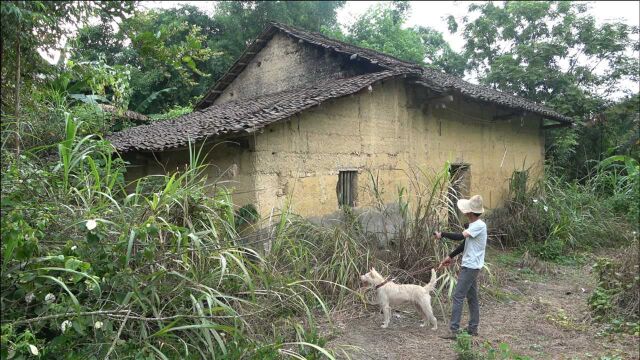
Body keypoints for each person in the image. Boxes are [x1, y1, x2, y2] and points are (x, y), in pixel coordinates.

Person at [434, 194, 487, 339]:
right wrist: (450, 256)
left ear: (469, 212)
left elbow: (459, 237)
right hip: (472, 266)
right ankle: (473, 328)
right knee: (472, 297)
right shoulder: (475, 226)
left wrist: (442, 234)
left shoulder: (478, 225)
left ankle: (454, 330)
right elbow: (465, 244)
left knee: (458, 296)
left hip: (470, 267)